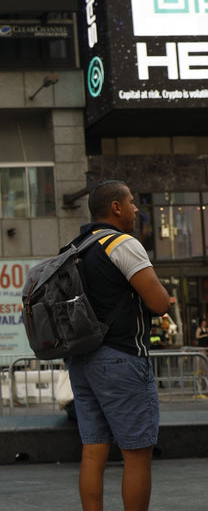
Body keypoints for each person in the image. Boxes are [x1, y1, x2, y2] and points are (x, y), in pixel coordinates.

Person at [66, 180, 170, 511]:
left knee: (93, 450)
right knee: (137, 455)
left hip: (81, 360)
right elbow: (159, 303)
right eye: (131, 202)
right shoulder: (121, 243)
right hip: (121, 358)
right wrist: (164, 293)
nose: (136, 209)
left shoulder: (75, 246)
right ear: (115, 208)